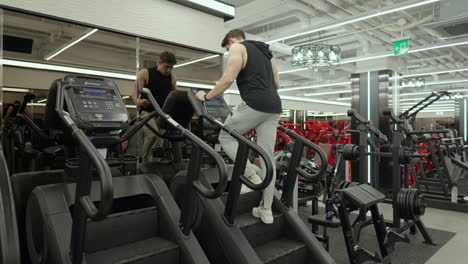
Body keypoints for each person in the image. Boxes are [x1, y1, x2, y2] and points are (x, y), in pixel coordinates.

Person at [195, 29, 282, 224]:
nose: (229, 50)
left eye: (227, 47)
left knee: (225, 137)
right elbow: (277, 83)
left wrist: (206, 97)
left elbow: (228, 79)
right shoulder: (266, 53)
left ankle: (251, 174)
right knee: (267, 157)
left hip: (255, 104)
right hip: (274, 106)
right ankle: (266, 210)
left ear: (232, 40)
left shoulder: (238, 47)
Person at [132, 51, 178, 162]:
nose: (168, 70)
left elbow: (175, 95)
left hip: (161, 114)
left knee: (160, 140)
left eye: (171, 67)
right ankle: (145, 161)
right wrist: (139, 101)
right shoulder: (145, 73)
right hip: (147, 113)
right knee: (153, 135)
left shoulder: (172, 77)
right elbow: (134, 92)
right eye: (166, 67)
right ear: (159, 62)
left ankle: (155, 163)